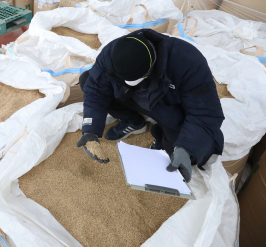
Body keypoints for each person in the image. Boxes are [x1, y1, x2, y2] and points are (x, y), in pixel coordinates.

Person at [76, 29, 224, 182]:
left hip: (167, 107)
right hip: (131, 97)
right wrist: (90, 130)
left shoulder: (188, 62)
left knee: (186, 156)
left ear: (150, 70)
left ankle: (162, 135)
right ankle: (133, 121)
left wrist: (186, 148)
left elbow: (205, 113)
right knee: (87, 80)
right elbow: (95, 90)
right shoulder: (113, 52)